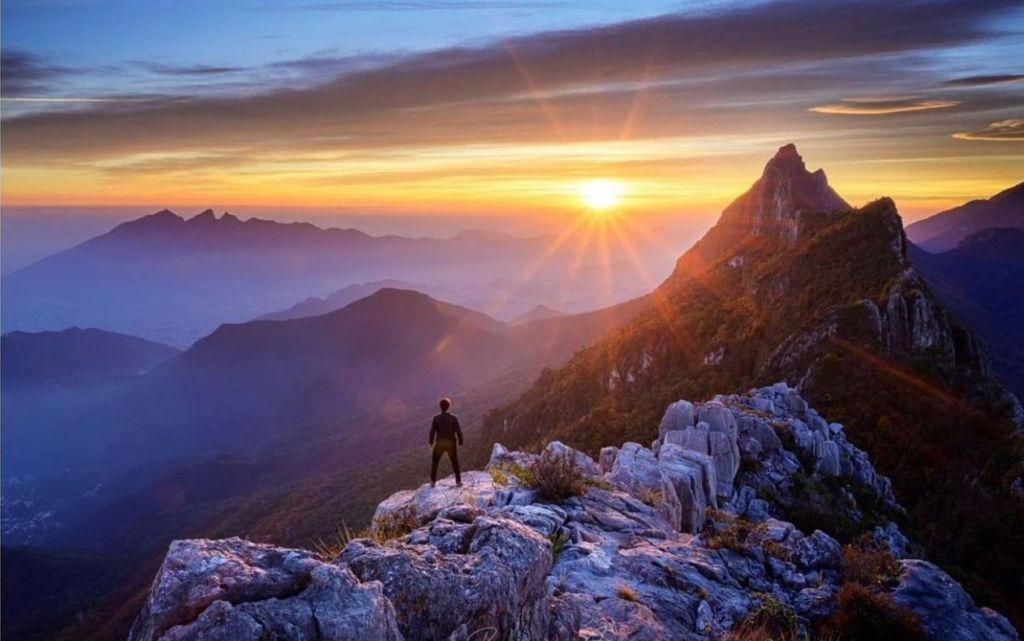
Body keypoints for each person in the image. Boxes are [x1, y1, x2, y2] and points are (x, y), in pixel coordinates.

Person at [429, 397, 463, 487]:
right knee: (455, 462)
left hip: (440, 443)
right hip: (451, 443)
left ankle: (432, 482)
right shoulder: (454, 418)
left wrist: (431, 442)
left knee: (435, 462)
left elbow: (432, 431)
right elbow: (458, 431)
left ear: (440, 406)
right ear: (449, 406)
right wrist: (460, 441)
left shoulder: (436, 418)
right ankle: (458, 481)